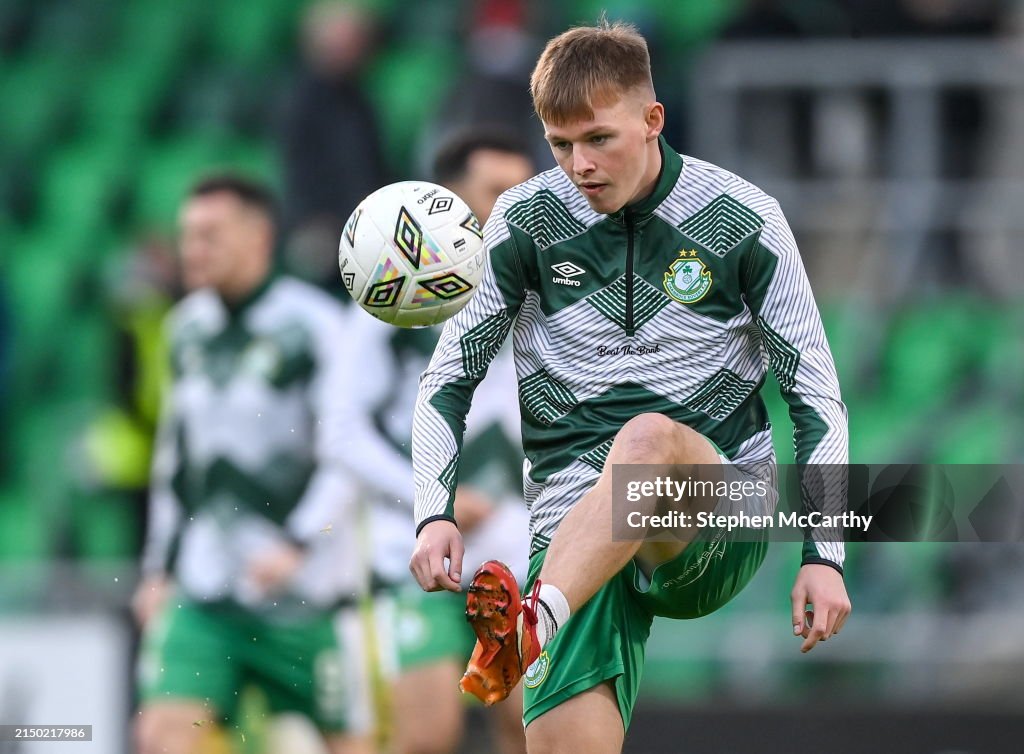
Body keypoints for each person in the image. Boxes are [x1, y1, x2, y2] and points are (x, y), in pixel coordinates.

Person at [408, 20, 851, 753]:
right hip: (575, 536)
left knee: (645, 439)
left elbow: (817, 401)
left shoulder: (744, 218)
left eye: (598, 139)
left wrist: (823, 555)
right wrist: (433, 514)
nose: (579, 165)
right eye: (559, 144)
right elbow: (447, 380)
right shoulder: (523, 220)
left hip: (717, 510)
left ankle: (532, 622)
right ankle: (544, 615)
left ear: (652, 119)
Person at [132, 175, 373, 754]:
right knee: (163, 735)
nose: (192, 250)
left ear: (258, 236)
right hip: (207, 589)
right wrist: (159, 566)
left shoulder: (316, 325)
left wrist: (299, 541)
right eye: (187, 235)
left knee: (352, 744)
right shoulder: (184, 328)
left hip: (303, 595)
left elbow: (347, 455)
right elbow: (176, 460)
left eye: (209, 235)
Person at [337, 129, 535, 754]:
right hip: (414, 550)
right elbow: (341, 431)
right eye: (496, 190)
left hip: (518, 548)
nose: (513, 205)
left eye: (522, 190)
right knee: (426, 737)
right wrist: (432, 501)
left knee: (527, 728)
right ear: (448, 200)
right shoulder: (387, 293)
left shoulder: (547, 287)